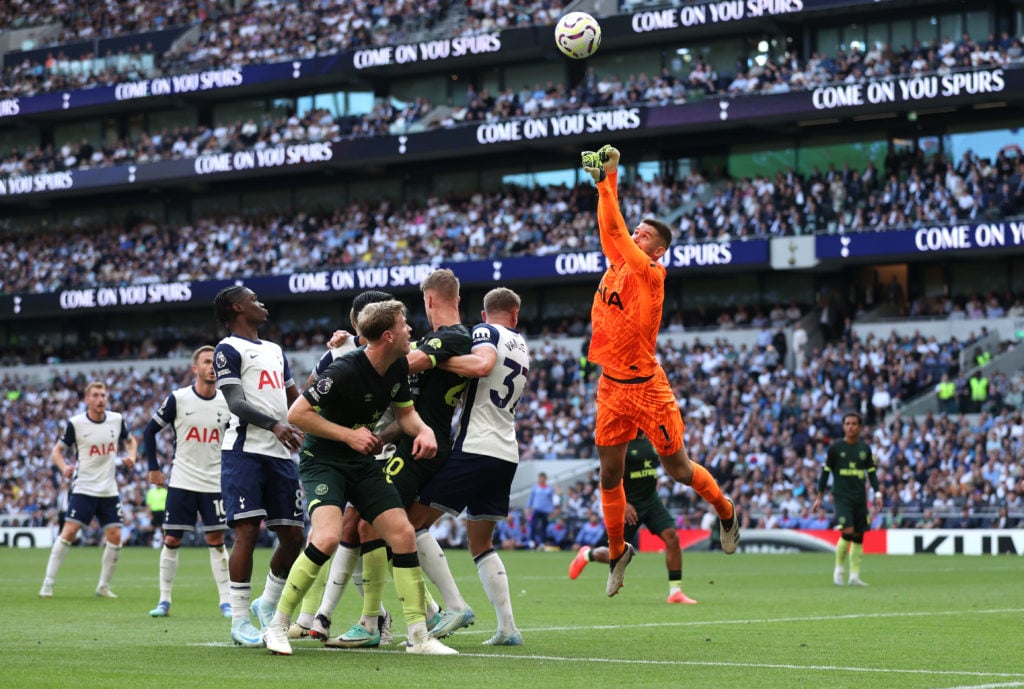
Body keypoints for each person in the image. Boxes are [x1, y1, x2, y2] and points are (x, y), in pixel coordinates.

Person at [581, 144, 739, 597]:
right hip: (611, 384)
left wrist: (609, 179)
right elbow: (609, 226)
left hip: (648, 387)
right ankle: (616, 553)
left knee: (678, 469)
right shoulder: (617, 263)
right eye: (636, 232)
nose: (635, 236)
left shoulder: (650, 273)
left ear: (659, 250)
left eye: (644, 235)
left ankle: (725, 510)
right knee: (609, 475)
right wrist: (606, 183)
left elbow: (616, 230)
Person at [260, 299, 456, 656]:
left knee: (403, 533)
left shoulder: (397, 366)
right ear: (387, 335)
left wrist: (424, 430)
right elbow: (297, 413)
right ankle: (277, 626)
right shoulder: (344, 370)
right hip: (323, 460)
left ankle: (419, 637)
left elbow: (406, 415)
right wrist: (349, 435)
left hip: (361, 461)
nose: (411, 330)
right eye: (404, 325)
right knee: (329, 536)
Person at [332, 269, 476, 648]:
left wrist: (352, 354)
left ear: (428, 300)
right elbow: (405, 401)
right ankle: (429, 612)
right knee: (395, 527)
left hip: (424, 447)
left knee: (369, 526)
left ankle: (377, 622)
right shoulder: (436, 340)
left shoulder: (454, 337)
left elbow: (399, 365)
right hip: (411, 441)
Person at [412, 287, 530, 646]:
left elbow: (481, 365)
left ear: (483, 314)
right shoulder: (522, 346)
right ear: (516, 315)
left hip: (475, 446)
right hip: (506, 452)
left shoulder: (486, 332)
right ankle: (508, 628)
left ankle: (453, 606)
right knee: (481, 542)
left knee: (411, 525)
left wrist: (435, 359)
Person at [212, 285, 306, 648]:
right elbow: (236, 401)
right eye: (255, 299)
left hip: (281, 454)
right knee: (247, 531)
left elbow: (294, 399)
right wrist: (275, 425)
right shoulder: (228, 349)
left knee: (294, 536)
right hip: (244, 451)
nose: (262, 303)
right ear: (238, 307)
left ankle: (267, 603)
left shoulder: (275, 350)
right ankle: (238, 620)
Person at [143, 345, 232, 618]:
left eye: (214, 362)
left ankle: (226, 602)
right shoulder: (178, 399)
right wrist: (154, 469)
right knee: (171, 538)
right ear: (195, 368)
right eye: (206, 362)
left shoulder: (228, 402)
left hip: (214, 482)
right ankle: (164, 600)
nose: (211, 367)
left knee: (217, 540)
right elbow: (149, 432)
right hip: (181, 480)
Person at [569, 433, 697, 604]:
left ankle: (675, 592)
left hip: (651, 500)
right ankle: (587, 554)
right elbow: (606, 477)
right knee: (615, 555)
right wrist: (624, 503)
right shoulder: (621, 441)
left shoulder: (652, 437)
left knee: (672, 537)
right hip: (627, 503)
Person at [39, 381, 138, 598]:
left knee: (115, 535)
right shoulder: (76, 423)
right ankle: (48, 583)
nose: (101, 399)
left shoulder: (117, 420)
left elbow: (131, 442)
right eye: (95, 395)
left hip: (109, 489)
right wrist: (65, 468)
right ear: (87, 399)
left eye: (103, 395)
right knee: (69, 532)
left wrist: (131, 457)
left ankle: (103, 586)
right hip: (84, 487)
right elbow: (57, 451)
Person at [811, 411, 882, 586]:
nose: (850, 427)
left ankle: (854, 577)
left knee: (859, 536)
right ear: (843, 426)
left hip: (859, 498)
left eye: (854, 424)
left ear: (859, 427)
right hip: (842, 497)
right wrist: (819, 497)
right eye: (847, 423)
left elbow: (871, 474)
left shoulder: (864, 449)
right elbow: (825, 473)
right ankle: (839, 570)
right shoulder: (836, 448)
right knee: (848, 532)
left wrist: (877, 493)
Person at [526, 472, 555, 549]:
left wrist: (552, 510)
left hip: (545, 510)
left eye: (542, 478)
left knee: (544, 527)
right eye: (540, 478)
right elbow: (531, 498)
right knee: (533, 525)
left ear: (545, 479)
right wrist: (528, 507)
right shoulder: (535, 487)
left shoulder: (549, 489)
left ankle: (542, 543)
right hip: (536, 509)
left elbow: (551, 500)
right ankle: (532, 541)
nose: (541, 480)